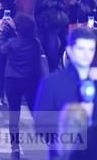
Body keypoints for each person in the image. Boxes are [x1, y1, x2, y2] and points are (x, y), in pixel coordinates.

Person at [34, 27, 97, 156]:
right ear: (70, 51)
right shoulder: (52, 82)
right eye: (81, 49)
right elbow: (40, 124)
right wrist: (69, 119)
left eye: (91, 49)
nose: (86, 54)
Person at [0, 13, 44, 158]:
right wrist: (15, 29)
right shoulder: (35, 43)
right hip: (31, 80)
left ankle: (15, 148)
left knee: (13, 114)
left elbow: (1, 48)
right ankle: (51, 140)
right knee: (35, 111)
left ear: (17, 29)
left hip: (13, 80)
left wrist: (0, 31)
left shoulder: (12, 43)